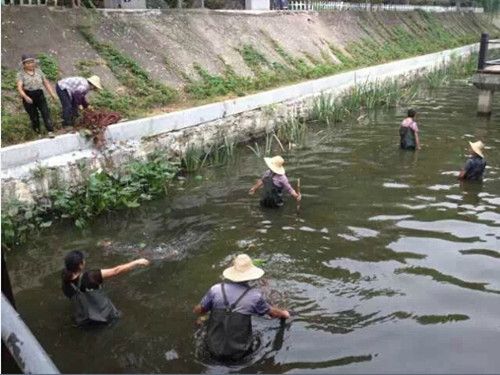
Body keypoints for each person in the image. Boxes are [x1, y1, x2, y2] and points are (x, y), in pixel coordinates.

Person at [193, 254, 290, 361]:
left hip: (211, 349)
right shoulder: (255, 296)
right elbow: (273, 313)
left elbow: (199, 311)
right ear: (251, 275)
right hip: (240, 353)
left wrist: (200, 307)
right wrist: (284, 313)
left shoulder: (215, 290)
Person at [61, 250, 149, 326]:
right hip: (104, 318)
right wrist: (136, 262)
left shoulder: (65, 280)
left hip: (83, 319)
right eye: (83, 260)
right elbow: (116, 270)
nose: (84, 261)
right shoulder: (90, 276)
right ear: (80, 265)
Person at [16, 54, 57, 138]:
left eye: (32, 62)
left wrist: (52, 94)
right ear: (24, 64)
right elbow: (19, 88)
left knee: (45, 112)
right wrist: (25, 97)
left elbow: (46, 82)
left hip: (39, 94)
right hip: (28, 95)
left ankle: (50, 131)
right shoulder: (20, 74)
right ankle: (38, 132)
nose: (30, 64)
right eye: (28, 63)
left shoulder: (39, 71)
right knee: (33, 115)